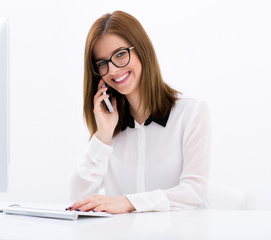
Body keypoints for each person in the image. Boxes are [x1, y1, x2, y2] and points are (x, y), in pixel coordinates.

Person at [68, 11, 211, 214]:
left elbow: (193, 192)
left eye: (120, 54)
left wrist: (128, 202)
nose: (113, 70)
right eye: (102, 63)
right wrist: (102, 136)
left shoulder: (191, 113)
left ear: (141, 50)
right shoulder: (110, 126)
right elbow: (78, 199)